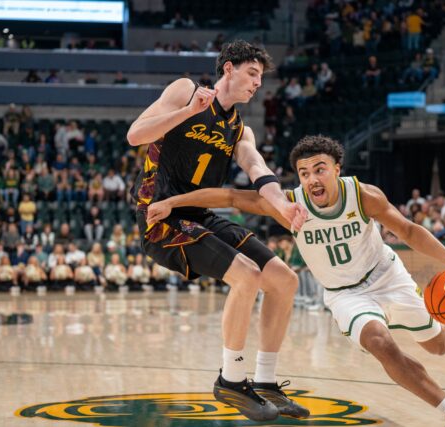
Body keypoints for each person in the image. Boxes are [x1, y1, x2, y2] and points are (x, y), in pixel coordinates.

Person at [147, 135, 445, 427]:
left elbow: (407, 230)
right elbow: (232, 197)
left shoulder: (363, 195)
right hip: (346, 295)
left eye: (319, 169)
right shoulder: (291, 205)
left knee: (439, 347)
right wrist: (172, 202)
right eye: (304, 173)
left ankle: (426, 320)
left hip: (388, 277)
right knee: (381, 344)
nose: (312, 179)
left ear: (337, 168)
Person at [126, 39, 308, 421]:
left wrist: (283, 204)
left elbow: (258, 170)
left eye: (261, 77)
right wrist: (188, 112)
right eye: (252, 73)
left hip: (199, 214)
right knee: (247, 274)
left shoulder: (240, 130)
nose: (258, 83)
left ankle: (265, 382)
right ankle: (231, 379)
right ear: (228, 69)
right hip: (160, 217)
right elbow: (136, 135)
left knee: (284, 279)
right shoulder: (185, 90)